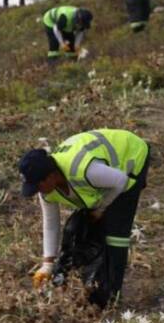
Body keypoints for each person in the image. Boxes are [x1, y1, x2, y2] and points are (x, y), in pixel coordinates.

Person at [19, 129, 151, 307]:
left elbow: (120, 181)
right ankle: (86, 284)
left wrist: (101, 208)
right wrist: (47, 263)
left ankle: (111, 298)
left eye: (38, 185)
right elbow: (51, 224)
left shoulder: (84, 170)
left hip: (131, 157)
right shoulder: (47, 191)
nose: (38, 190)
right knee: (78, 229)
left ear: (51, 175)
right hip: (107, 176)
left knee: (115, 234)